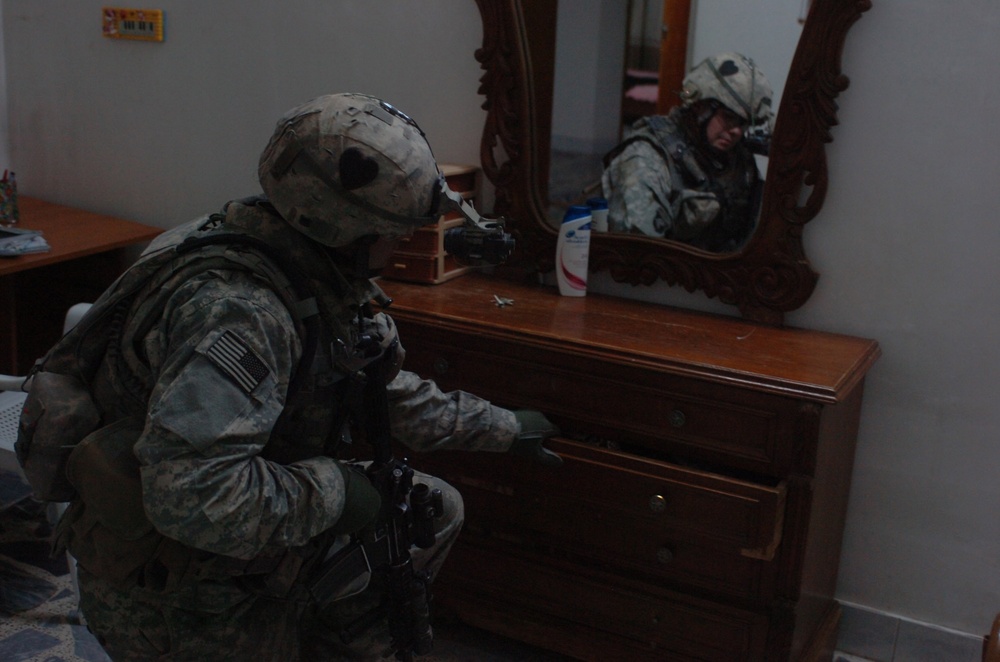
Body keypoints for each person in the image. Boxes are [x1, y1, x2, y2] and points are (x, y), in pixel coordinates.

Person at [18, 93, 561, 660]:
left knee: (428, 510)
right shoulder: (244, 313)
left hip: (214, 531)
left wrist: (501, 428)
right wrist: (340, 492)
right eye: (391, 233)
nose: (399, 247)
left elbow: (373, 386)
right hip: (171, 591)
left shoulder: (286, 257)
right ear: (345, 230)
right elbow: (194, 497)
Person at [601, 52, 774, 252]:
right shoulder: (646, 159)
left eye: (743, 123)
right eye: (728, 117)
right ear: (700, 107)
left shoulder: (738, 160)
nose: (736, 131)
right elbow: (636, 255)